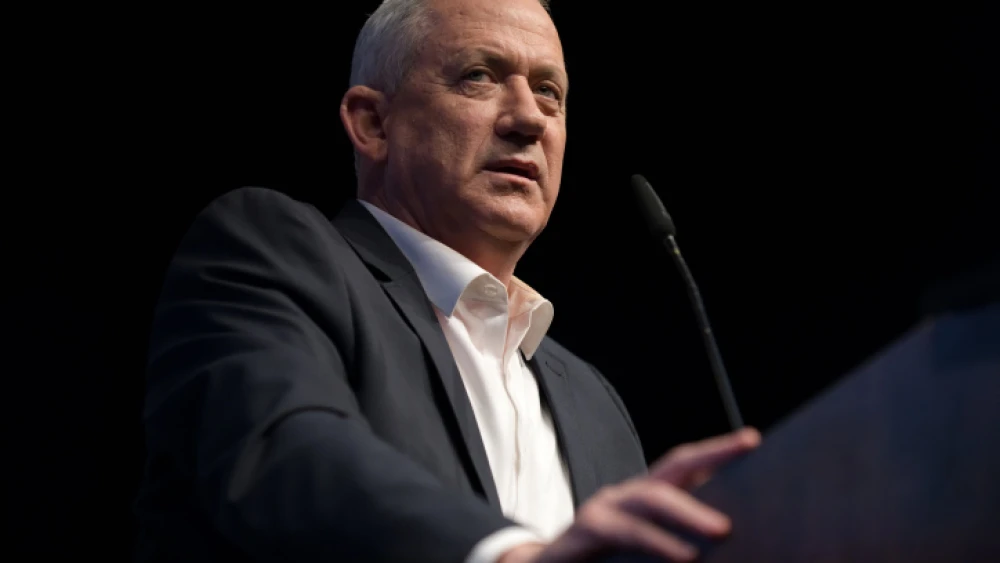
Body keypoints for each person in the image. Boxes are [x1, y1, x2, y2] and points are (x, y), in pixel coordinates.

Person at [133, 0, 761, 561]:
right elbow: (279, 447)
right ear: (373, 124)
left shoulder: (595, 402)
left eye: (549, 92)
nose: (529, 119)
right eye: (480, 77)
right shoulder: (271, 251)